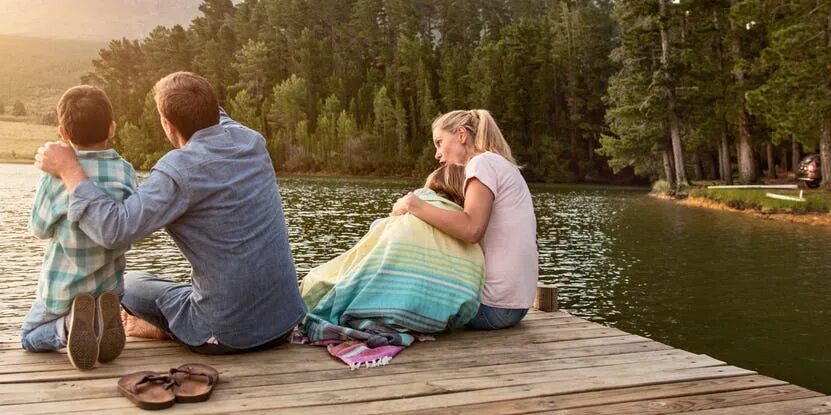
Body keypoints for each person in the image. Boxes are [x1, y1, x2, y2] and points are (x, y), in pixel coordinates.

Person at [35, 71, 306, 354]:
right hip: (284, 322)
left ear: (168, 125)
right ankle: (171, 326)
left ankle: (169, 330)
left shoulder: (178, 171)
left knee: (128, 283)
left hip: (228, 333)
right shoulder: (251, 141)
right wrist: (182, 89)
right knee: (171, 286)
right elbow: (209, 112)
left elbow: (114, 230)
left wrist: (69, 169)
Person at [297, 164, 484, 367]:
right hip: (441, 321)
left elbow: (363, 258)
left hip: (396, 313)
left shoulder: (407, 217)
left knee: (317, 282)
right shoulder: (472, 242)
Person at [22, 85, 137, 370]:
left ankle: (70, 324)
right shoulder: (126, 170)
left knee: (29, 336)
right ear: (112, 129)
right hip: (111, 287)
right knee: (103, 300)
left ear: (63, 133)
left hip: (63, 288)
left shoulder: (56, 176)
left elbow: (39, 228)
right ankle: (98, 322)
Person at [392, 109, 538, 330]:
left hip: (494, 308)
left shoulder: (481, 163)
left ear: (461, 135)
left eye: (439, 142)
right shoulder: (500, 164)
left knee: (398, 303)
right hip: (515, 306)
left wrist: (415, 205)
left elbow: (471, 229)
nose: (437, 154)